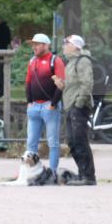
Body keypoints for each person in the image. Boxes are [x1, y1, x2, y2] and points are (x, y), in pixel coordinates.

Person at [55, 35, 95, 185]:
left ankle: (89, 177)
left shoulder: (82, 61)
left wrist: (78, 103)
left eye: (67, 43)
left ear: (75, 46)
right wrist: (62, 85)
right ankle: (82, 173)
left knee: (80, 140)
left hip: (78, 106)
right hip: (70, 105)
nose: (64, 45)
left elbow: (87, 84)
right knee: (72, 142)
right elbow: (73, 85)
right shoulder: (70, 62)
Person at [25, 33, 65, 173]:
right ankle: (30, 171)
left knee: (52, 142)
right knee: (31, 142)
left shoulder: (55, 60)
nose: (34, 47)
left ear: (46, 45)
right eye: (33, 44)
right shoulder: (32, 61)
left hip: (49, 106)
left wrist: (53, 104)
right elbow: (28, 83)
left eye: (37, 44)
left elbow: (61, 85)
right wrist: (29, 102)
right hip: (34, 106)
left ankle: (53, 172)